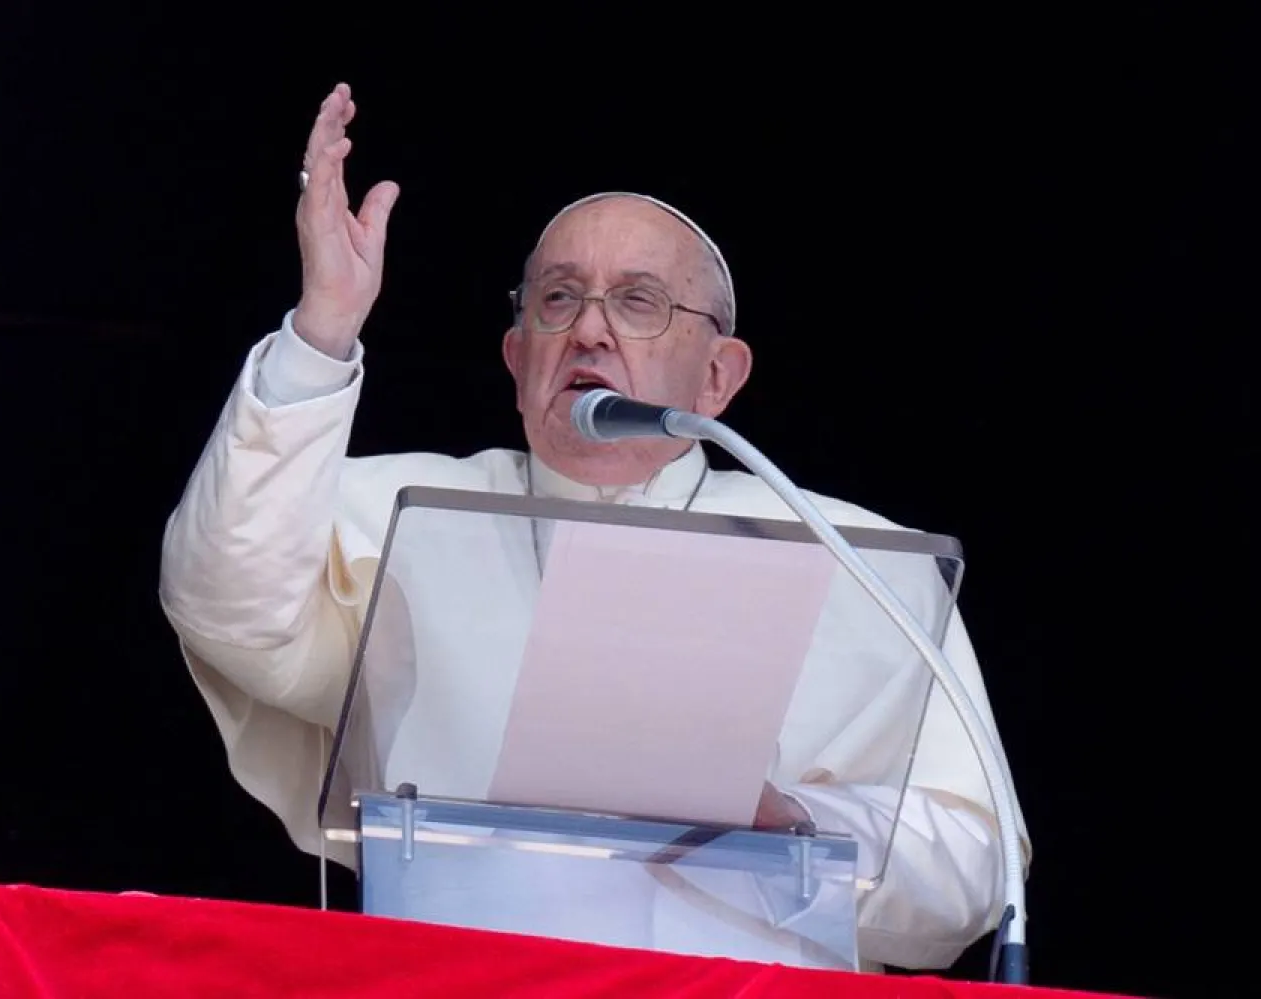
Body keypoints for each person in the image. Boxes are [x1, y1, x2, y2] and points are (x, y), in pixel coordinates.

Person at [159, 83, 1030, 972]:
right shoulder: (394, 510)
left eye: (640, 303)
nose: (591, 331)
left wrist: (795, 826)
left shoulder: (848, 553)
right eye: (559, 300)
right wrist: (323, 331)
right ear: (516, 355)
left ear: (719, 377)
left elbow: (975, 870)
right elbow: (226, 606)